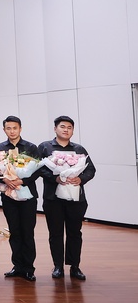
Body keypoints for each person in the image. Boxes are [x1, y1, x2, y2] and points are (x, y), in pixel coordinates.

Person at [37, 115, 95, 281]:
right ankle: (58, 266)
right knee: (55, 233)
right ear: (55, 129)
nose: (66, 130)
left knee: (75, 232)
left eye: (69, 128)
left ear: (73, 131)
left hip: (76, 198)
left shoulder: (79, 149)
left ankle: (75, 266)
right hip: (53, 199)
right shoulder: (45, 147)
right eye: (62, 127)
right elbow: (38, 168)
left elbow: (91, 169)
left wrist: (80, 179)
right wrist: (54, 178)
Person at [0, 116, 41, 282]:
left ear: (20, 128)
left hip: (28, 196)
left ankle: (28, 268)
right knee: (14, 232)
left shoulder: (31, 147)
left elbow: (37, 171)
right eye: (8, 128)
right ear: (4, 130)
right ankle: (17, 266)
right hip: (9, 196)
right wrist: (5, 180)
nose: (12, 131)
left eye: (15, 128)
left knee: (27, 232)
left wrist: (21, 181)